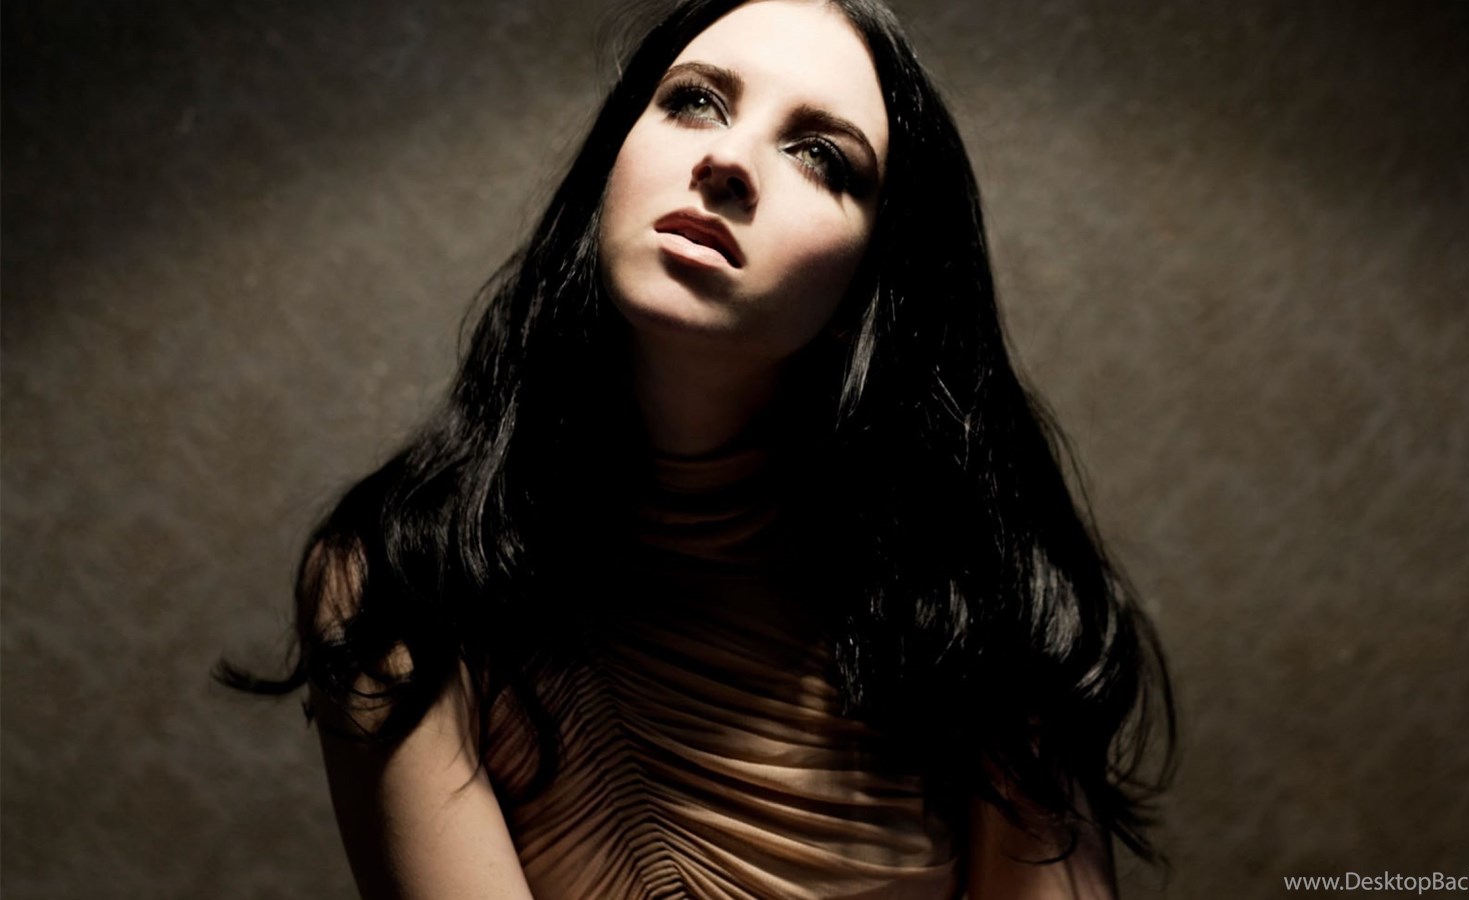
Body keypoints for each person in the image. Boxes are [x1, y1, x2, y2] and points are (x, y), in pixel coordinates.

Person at [219, 0, 1176, 897]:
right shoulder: (399, 587)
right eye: (694, 102)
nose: (727, 160)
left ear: (870, 290)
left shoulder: (981, 602)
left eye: (819, 155)